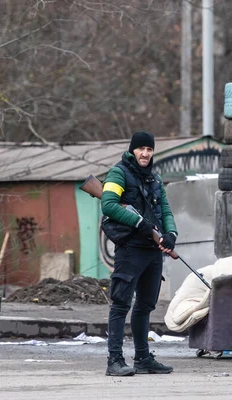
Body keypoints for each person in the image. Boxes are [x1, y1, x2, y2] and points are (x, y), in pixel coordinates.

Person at [101, 131, 178, 376]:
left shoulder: (155, 179)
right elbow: (109, 204)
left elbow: (165, 210)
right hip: (130, 249)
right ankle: (114, 361)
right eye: (141, 149)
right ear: (133, 149)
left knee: (145, 306)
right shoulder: (118, 173)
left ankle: (143, 358)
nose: (145, 153)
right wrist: (138, 223)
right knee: (121, 304)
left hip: (152, 252)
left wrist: (171, 235)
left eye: (150, 149)